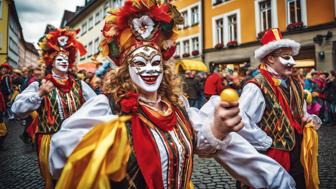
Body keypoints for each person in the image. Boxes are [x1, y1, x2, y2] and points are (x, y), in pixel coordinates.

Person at [49, 2, 295, 189]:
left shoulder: (179, 108)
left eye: (155, 62)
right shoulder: (107, 108)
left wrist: (218, 129)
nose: (150, 69)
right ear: (126, 69)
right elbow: (58, 158)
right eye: (140, 62)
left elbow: (239, 156)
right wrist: (104, 148)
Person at [11, 28, 97, 188]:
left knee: (79, 180)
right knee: (56, 181)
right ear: (51, 62)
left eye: (66, 58)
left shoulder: (80, 84)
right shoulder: (40, 84)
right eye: (59, 59)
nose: (64, 61)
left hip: (77, 139)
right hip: (50, 140)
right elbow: (17, 109)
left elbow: (96, 103)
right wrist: (40, 93)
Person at [238, 28, 321, 188]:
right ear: (270, 59)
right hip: (272, 156)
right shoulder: (255, 86)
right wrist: (266, 143)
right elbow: (242, 121)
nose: (293, 62)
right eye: (286, 57)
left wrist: (308, 119)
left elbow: (300, 112)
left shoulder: (294, 83)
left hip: (297, 152)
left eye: (292, 57)